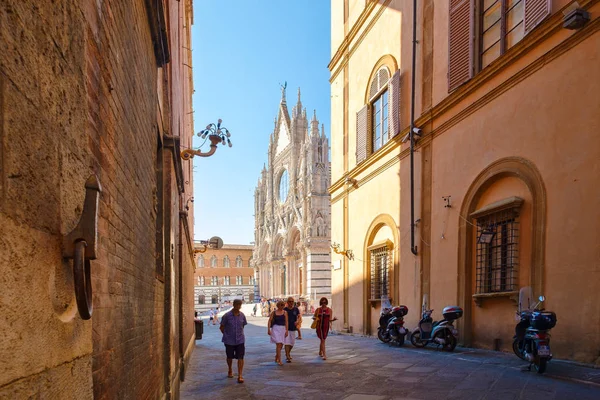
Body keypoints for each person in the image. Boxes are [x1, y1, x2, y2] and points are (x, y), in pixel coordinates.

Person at [220, 299, 247, 383]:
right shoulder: (227, 316)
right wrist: (227, 335)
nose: (238, 306)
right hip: (229, 340)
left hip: (240, 340)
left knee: (241, 357)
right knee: (229, 357)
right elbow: (222, 327)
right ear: (233, 305)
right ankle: (230, 369)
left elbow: (243, 325)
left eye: (240, 305)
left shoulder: (242, 315)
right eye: (237, 305)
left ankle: (240, 375)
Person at [267, 300, 288, 366]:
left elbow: (286, 322)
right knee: (278, 344)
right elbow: (269, 321)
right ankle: (279, 360)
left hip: (282, 329)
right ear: (278, 305)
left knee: (281, 344)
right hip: (276, 329)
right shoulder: (274, 312)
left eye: (283, 305)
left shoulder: (285, 312)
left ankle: (277, 356)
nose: (282, 306)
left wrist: (287, 330)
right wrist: (268, 329)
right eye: (281, 305)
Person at [283, 297, 300, 362]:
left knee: (292, 343)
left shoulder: (296, 309)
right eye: (289, 301)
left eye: (292, 301)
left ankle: (288, 353)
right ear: (287, 302)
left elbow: (298, 316)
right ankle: (287, 356)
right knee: (287, 342)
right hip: (286, 328)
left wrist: (298, 321)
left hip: (293, 328)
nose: (291, 303)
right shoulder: (285, 309)